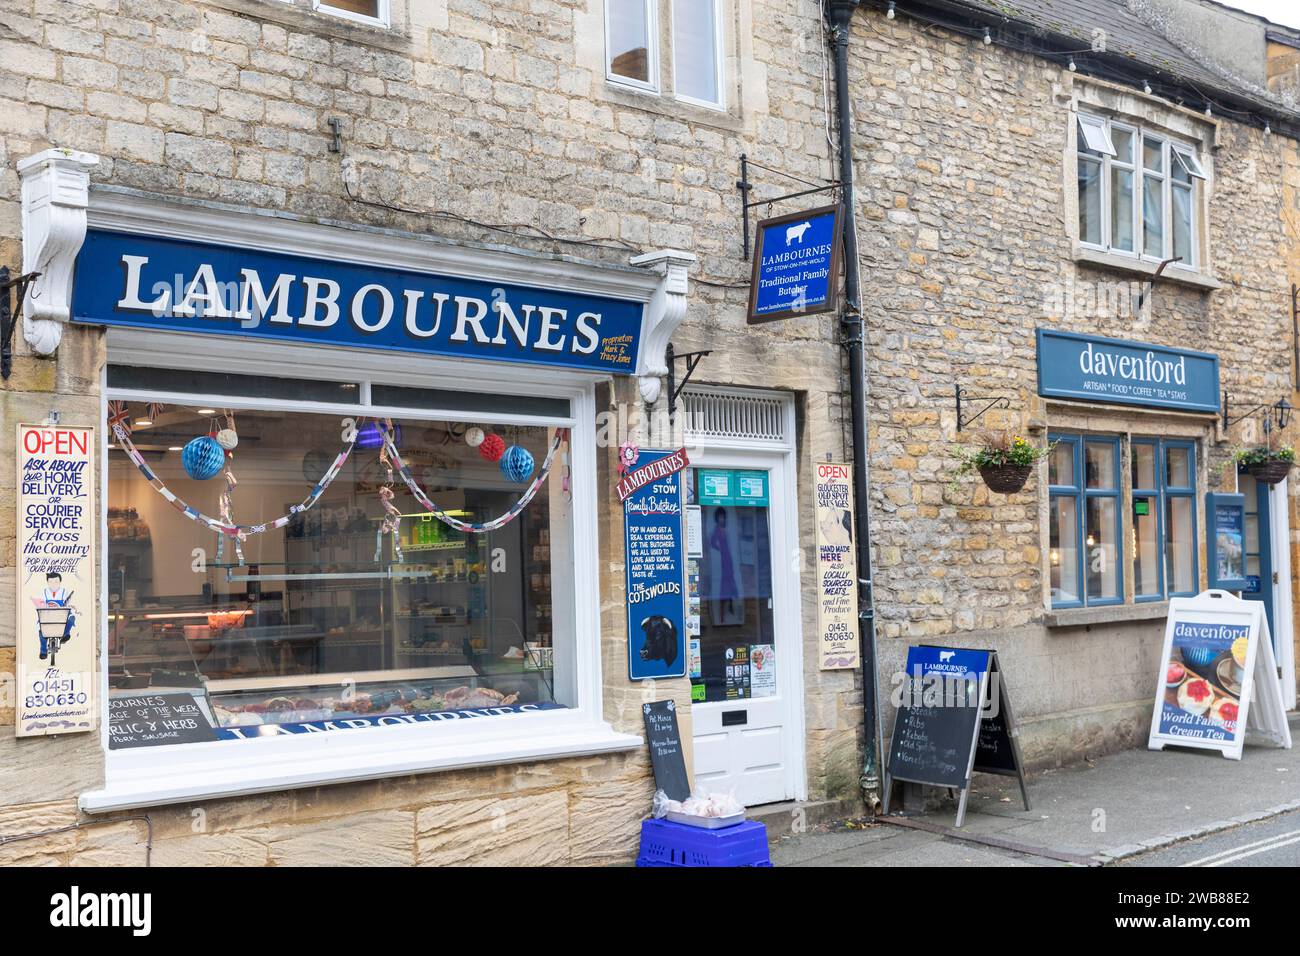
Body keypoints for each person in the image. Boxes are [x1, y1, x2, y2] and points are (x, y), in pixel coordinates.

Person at [36, 572, 75, 661]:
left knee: (71, 619)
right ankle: (43, 651)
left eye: (56, 582)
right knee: (42, 630)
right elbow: (41, 603)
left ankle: (65, 634)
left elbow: (68, 603)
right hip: (48, 615)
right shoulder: (44, 592)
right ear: (48, 582)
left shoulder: (64, 591)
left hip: (62, 615)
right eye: (51, 582)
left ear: (60, 582)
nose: (54, 584)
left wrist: (70, 606)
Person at [708, 508, 738, 618]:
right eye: (720, 517)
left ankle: (730, 606)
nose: (722, 519)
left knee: (730, 581)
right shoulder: (716, 530)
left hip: (728, 559)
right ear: (717, 518)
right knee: (725, 585)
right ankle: (722, 613)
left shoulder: (724, 530)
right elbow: (712, 542)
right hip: (723, 560)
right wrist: (719, 550)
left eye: (723, 517)